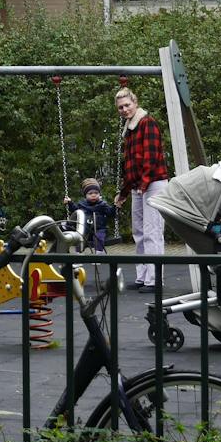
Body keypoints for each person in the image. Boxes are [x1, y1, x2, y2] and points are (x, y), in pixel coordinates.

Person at [114, 86, 168, 291]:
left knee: (152, 230)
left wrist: (143, 184)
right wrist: (124, 192)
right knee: (138, 230)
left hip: (153, 183)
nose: (124, 109)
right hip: (139, 185)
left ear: (135, 103)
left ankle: (155, 279)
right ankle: (142, 275)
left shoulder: (147, 123)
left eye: (127, 105)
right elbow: (130, 166)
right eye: (120, 107)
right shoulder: (129, 129)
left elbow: (151, 157)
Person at [64, 177, 117, 253]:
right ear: (85, 195)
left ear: (99, 194)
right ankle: (78, 256)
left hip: (99, 229)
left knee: (99, 238)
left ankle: (98, 255)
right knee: (80, 238)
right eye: (90, 193)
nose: (93, 195)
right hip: (85, 228)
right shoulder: (82, 205)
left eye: (96, 193)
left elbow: (110, 213)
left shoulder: (103, 205)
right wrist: (69, 203)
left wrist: (116, 206)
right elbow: (75, 211)